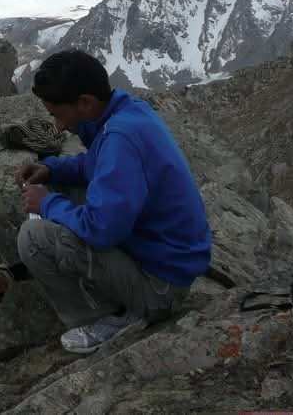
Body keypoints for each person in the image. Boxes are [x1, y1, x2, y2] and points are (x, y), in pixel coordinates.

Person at [15, 50, 211, 354]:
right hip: (161, 257)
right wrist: (53, 169)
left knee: (33, 238)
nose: (58, 127)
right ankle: (113, 298)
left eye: (57, 114)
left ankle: (108, 318)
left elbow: (101, 229)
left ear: (85, 103)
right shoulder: (125, 112)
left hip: (161, 286)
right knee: (53, 187)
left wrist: (48, 205)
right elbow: (97, 165)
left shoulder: (120, 138)